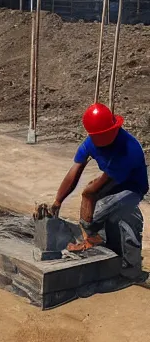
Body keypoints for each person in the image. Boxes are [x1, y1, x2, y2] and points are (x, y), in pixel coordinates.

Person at [51, 103, 148, 281]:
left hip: (132, 188)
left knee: (107, 212)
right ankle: (107, 254)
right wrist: (58, 200)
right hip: (114, 182)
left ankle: (131, 271)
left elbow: (93, 191)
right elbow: (75, 171)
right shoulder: (91, 143)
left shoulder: (128, 149)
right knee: (102, 216)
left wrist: (87, 226)